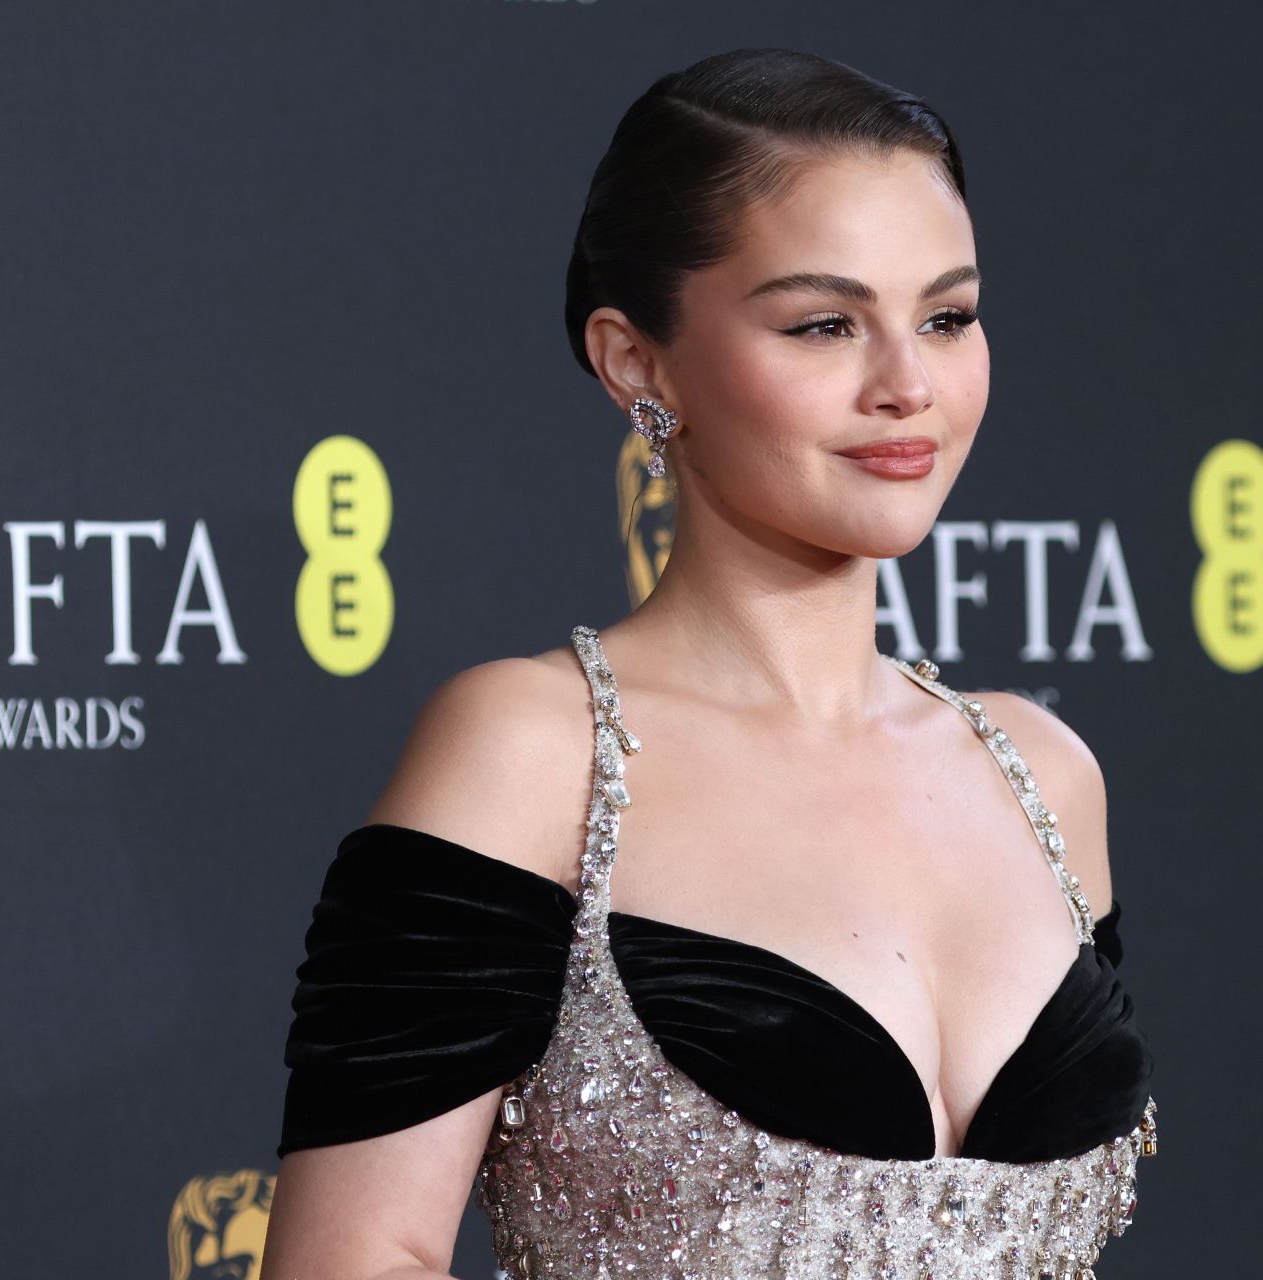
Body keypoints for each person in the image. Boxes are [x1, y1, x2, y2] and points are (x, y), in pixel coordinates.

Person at [261, 46, 1157, 1279]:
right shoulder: (535, 756)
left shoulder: (1044, 775)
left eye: (947, 316)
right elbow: (355, 1259)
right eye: (825, 323)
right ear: (639, 362)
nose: (908, 384)